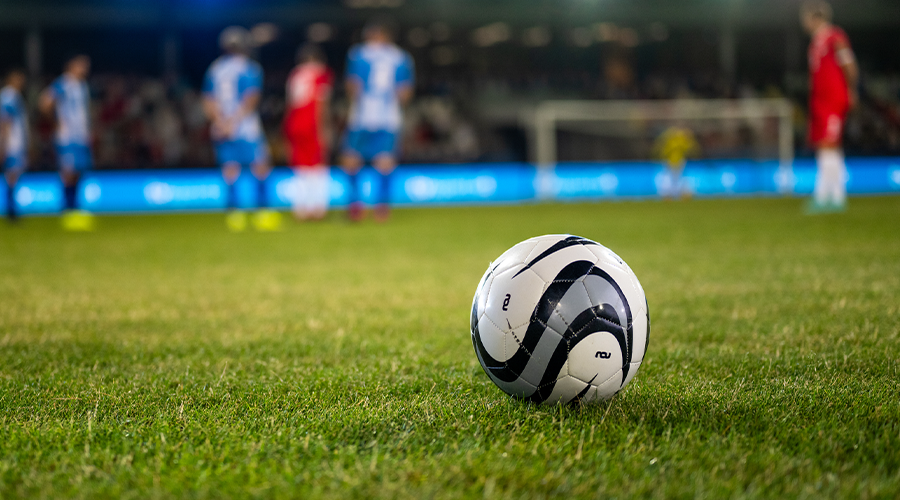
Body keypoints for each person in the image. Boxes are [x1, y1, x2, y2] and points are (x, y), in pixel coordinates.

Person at [203, 26, 280, 231]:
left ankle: (234, 215)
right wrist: (233, 121)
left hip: (221, 127)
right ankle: (262, 212)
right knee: (261, 166)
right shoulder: (250, 68)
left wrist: (220, 121)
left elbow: (208, 100)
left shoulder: (215, 69)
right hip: (245, 127)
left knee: (230, 169)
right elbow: (251, 98)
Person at [341, 18, 414, 222]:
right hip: (388, 116)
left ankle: (356, 206)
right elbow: (405, 92)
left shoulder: (358, 53)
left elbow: (352, 85)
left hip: (362, 115)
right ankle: (382, 208)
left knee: (351, 158)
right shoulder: (400, 57)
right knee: (385, 161)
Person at [801, 0, 858, 213]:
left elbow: (849, 65)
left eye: (806, 18)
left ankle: (828, 196)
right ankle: (833, 196)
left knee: (828, 144)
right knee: (828, 146)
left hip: (833, 98)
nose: (804, 22)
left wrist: (851, 90)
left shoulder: (835, 36)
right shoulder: (816, 42)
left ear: (815, 17)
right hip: (821, 100)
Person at [40, 54, 96, 231]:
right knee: (68, 171)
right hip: (67, 136)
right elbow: (45, 102)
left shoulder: (82, 86)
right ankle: (66, 209)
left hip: (80, 136)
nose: (85, 69)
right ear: (71, 66)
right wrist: (56, 122)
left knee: (79, 171)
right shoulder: (64, 83)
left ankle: (75, 209)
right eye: (81, 65)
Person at [284, 43, 334, 221]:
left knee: (300, 167)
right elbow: (321, 103)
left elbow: (290, 103)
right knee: (318, 165)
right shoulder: (321, 73)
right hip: (311, 123)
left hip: (294, 123)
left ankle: (301, 209)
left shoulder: (295, 74)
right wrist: (324, 128)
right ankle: (317, 208)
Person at [1, 69, 28, 222]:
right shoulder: (9, 95)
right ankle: (11, 212)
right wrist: (3, 145)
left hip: (15, 143)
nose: (21, 82)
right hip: (12, 144)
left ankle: (12, 210)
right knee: (11, 176)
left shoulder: (14, 95)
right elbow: (5, 121)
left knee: (13, 176)